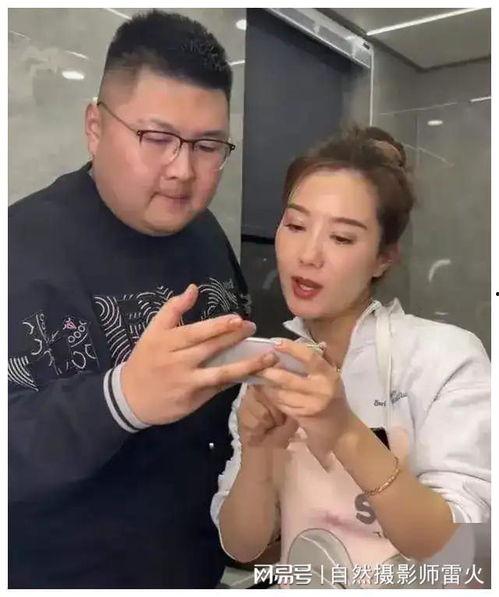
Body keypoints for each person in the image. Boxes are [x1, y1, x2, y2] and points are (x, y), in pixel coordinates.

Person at [8, 10, 276, 589]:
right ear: (95, 126)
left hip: (201, 566)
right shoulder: (20, 249)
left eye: (208, 145)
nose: (183, 171)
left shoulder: (207, 234)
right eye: (156, 139)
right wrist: (122, 398)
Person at [211, 128, 490, 588]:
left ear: (384, 258)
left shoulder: (445, 358)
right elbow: (243, 547)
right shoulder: (272, 369)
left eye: (341, 238)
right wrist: (259, 453)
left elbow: (464, 550)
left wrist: (343, 430)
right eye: (295, 226)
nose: (308, 254)